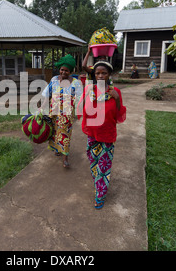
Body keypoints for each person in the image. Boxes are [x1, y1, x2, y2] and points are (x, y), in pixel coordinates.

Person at [77, 61, 126, 209]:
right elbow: (81, 108)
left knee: (103, 167)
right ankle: (99, 182)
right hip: (92, 133)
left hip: (107, 135)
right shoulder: (89, 91)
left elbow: (119, 114)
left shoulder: (115, 92)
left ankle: (100, 195)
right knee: (93, 163)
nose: (100, 76)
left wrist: (116, 98)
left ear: (109, 75)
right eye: (97, 73)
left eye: (103, 73)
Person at [42, 54, 83, 168]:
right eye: (62, 70)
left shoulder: (75, 82)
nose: (63, 72)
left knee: (64, 134)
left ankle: (65, 158)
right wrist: (43, 107)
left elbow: (80, 98)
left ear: (70, 71)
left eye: (66, 70)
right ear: (59, 69)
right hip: (53, 112)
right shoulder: (54, 79)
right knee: (54, 132)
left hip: (66, 114)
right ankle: (57, 149)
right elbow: (47, 94)